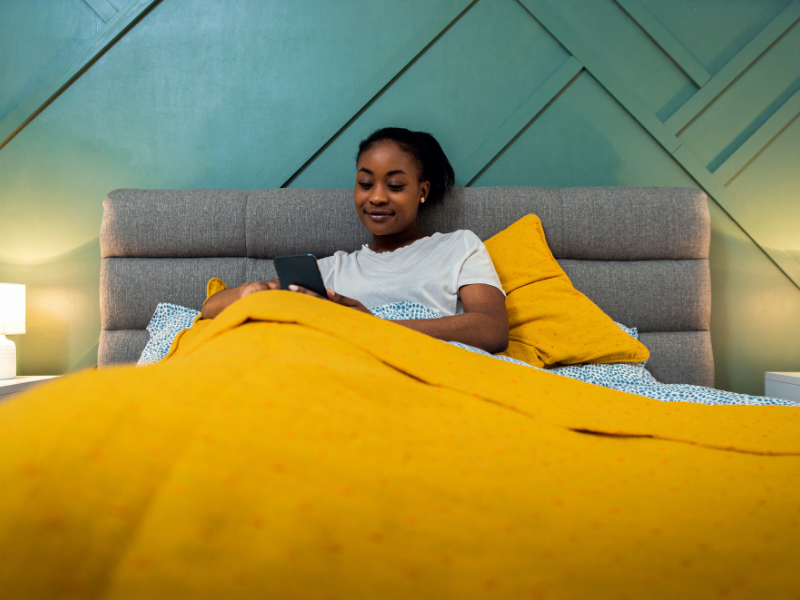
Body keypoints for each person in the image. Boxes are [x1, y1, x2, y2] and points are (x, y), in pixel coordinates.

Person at [201, 127, 508, 353]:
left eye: (396, 185)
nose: (376, 197)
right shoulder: (332, 270)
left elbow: (492, 329)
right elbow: (210, 308)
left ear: (423, 190)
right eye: (365, 183)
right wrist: (254, 292)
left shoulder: (458, 247)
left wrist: (369, 326)